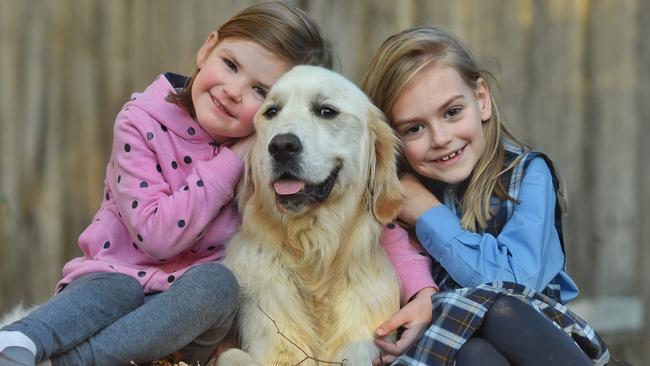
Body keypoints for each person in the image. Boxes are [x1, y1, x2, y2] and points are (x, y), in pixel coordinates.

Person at [0, 2, 333, 366]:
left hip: (182, 321)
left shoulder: (265, 157)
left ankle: (72, 362)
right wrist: (231, 160)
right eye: (231, 65)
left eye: (259, 91)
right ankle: (23, 340)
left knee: (219, 284)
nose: (234, 90)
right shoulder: (140, 122)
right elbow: (157, 238)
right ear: (207, 49)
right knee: (115, 289)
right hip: (115, 278)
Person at [362, 26, 610, 366]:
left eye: (451, 112)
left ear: (481, 100)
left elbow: (513, 284)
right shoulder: (392, 195)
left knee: (498, 312)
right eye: (414, 128)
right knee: (473, 352)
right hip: (445, 346)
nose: (440, 138)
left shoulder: (528, 175)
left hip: (532, 335)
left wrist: (426, 212)